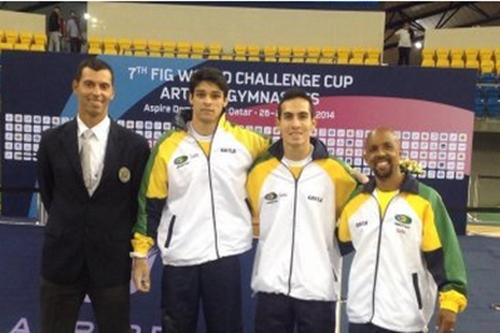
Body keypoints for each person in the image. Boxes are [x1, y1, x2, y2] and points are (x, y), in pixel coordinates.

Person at [130, 67, 270, 332]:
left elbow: (292, 152)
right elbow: (149, 204)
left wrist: (342, 167)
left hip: (226, 254)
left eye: (215, 95)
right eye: (202, 94)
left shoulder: (249, 142)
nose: (208, 101)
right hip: (181, 256)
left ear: (225, 101)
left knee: (227, 328)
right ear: (190, 98)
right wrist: (140, 254)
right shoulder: (168, 145)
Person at [37, 57, 150, 333]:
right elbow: (49, 193)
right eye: (89, 84)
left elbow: (139, 204)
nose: (96, 92)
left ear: (113, 93)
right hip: (62, 259)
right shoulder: (51, 141)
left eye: (103, 86)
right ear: (76, 86)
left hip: (111, 262)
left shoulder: (135, 146)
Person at [246, 88, 358, 332]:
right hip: (270, 288)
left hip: (318, 290)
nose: (295, 124)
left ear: (313, 122)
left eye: (302, 116)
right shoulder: (258, 173)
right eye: (288, 116)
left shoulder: (338, 175)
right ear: (278, 123)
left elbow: (357, 226)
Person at [336, 128, 468, 333]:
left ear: (399, 151)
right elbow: (337, 243)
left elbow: (446, 256)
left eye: (388, 146)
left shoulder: (426, 199)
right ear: (366, 156)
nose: (380, 153)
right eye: (373, 149)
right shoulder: (356, 201)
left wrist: (450, 301)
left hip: (406, 320)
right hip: (360, 316)